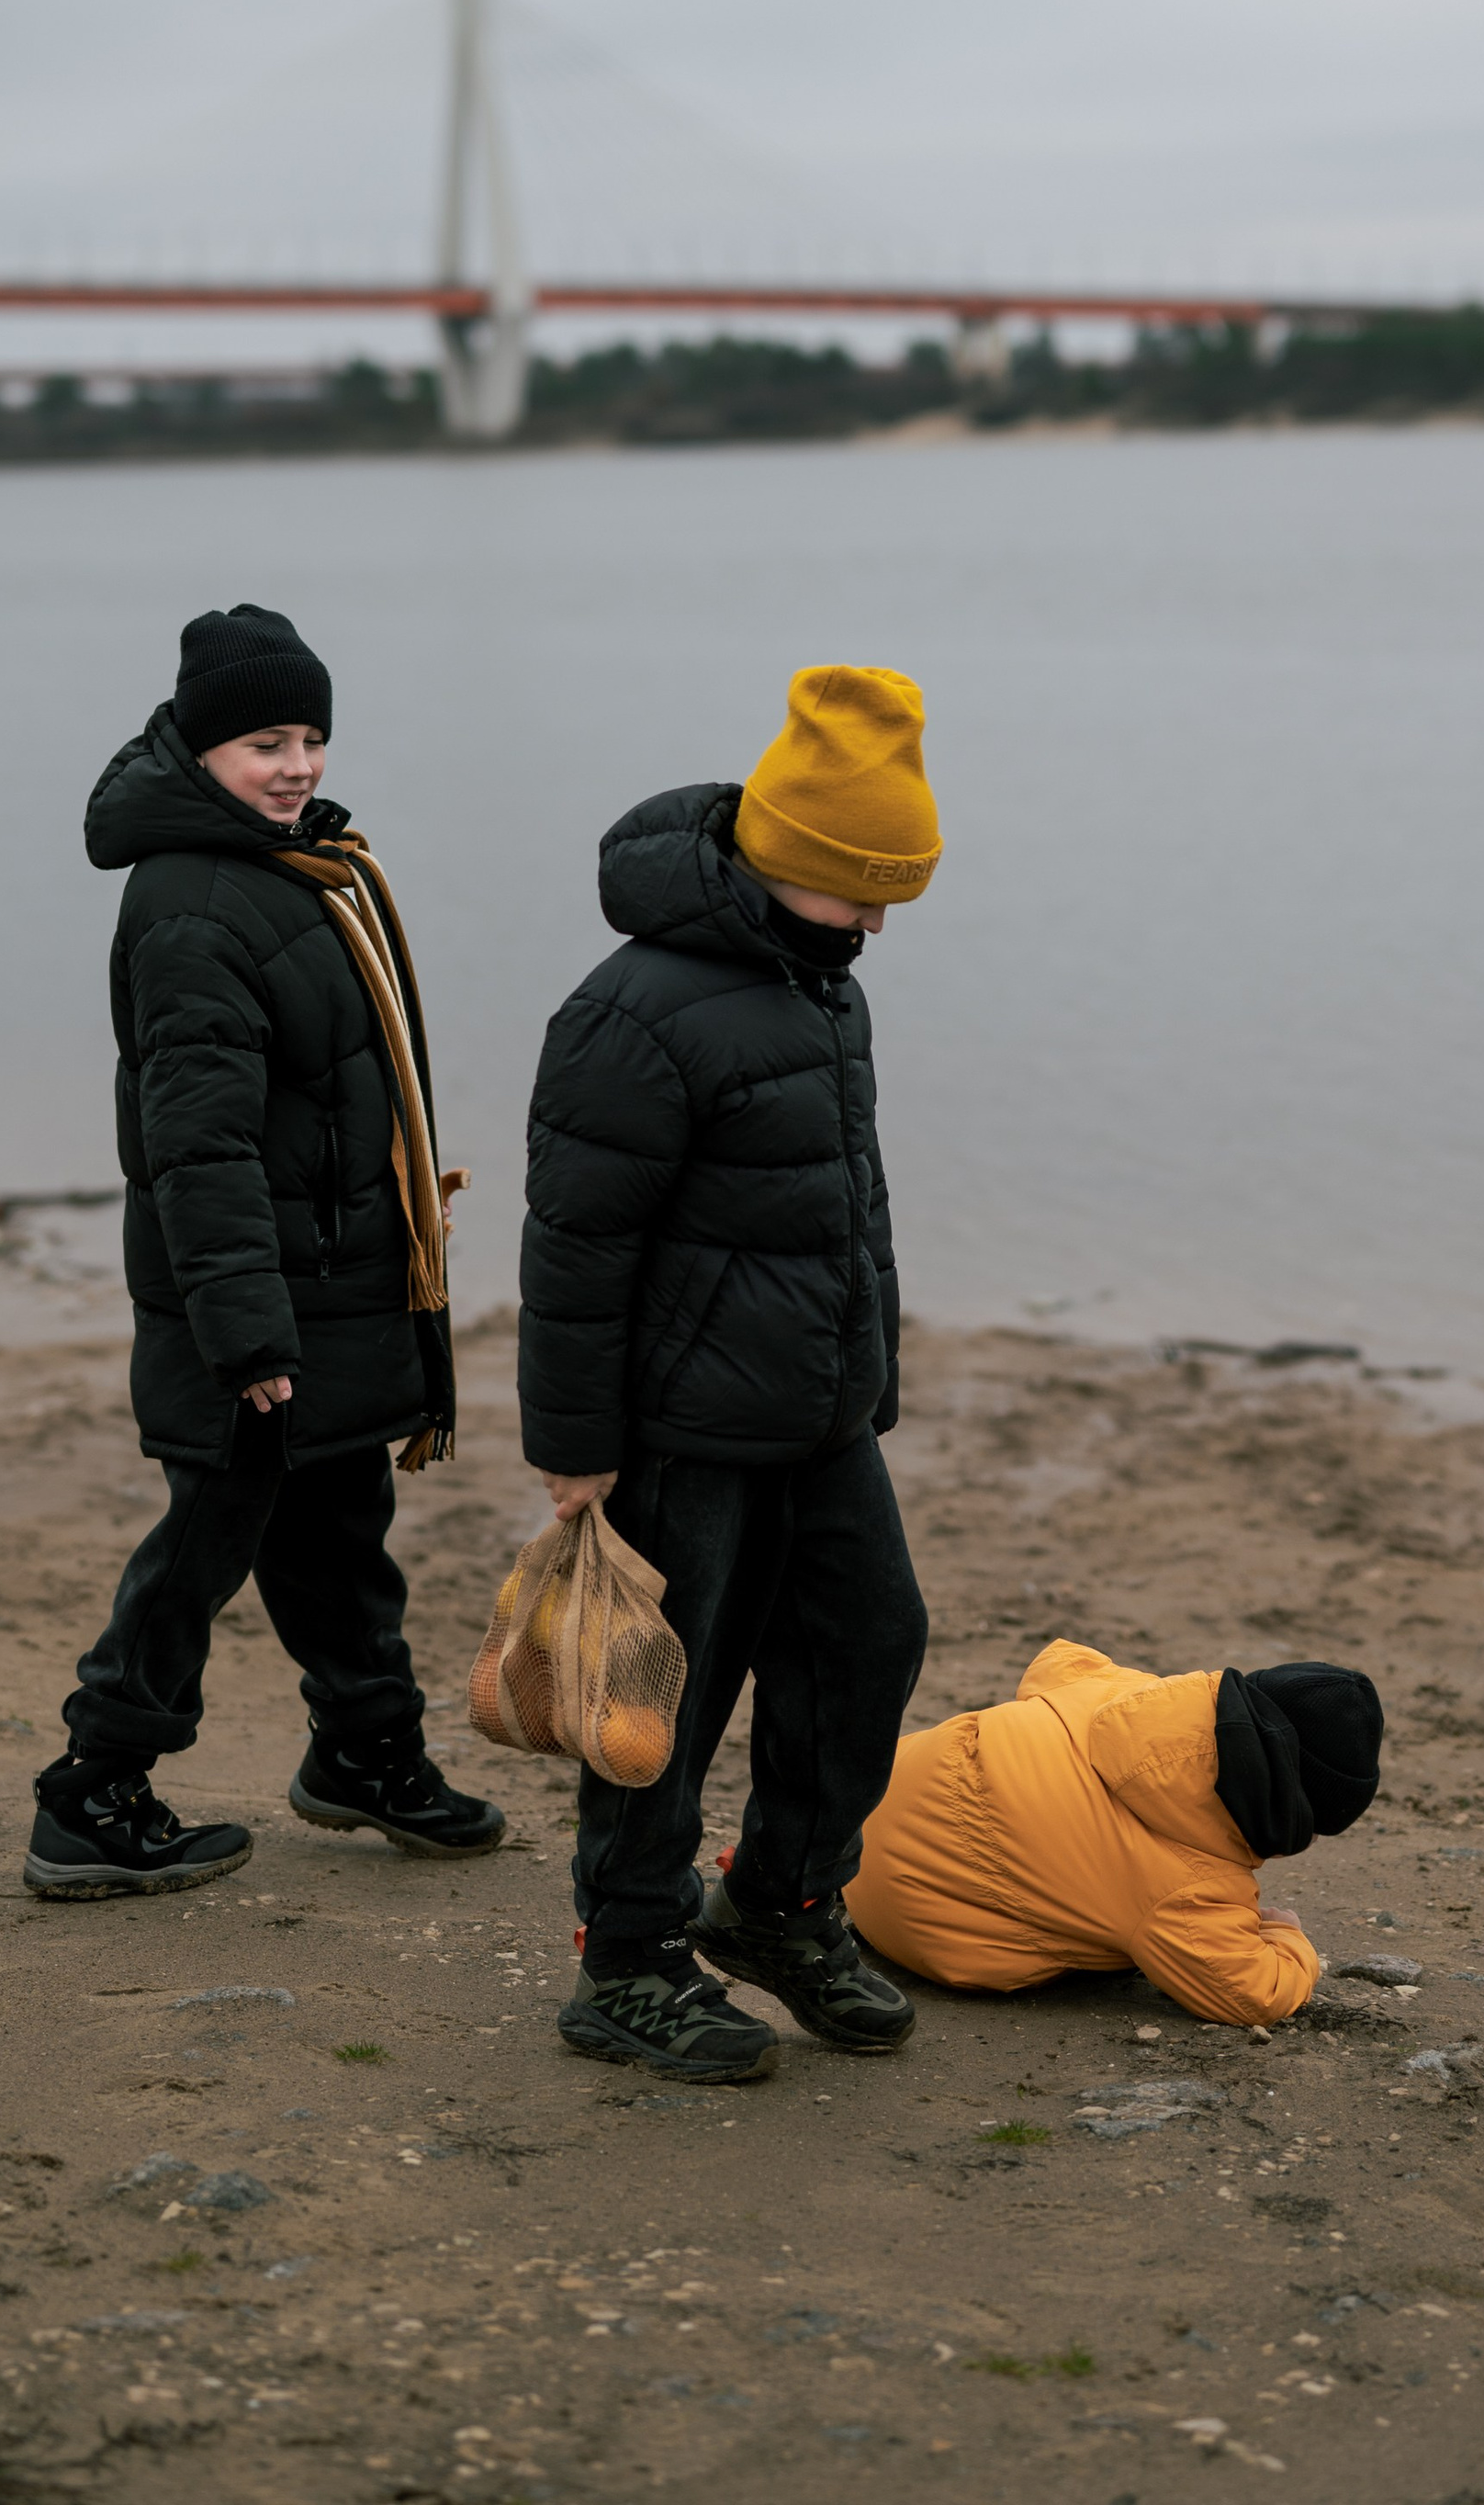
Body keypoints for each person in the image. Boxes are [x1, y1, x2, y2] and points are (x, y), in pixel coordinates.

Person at [24, 602, 503, 1900]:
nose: (295, 765)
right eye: (261, 744)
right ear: (199, 751)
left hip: (329, 1279)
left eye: (309, 737)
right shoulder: (192, 903)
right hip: (251, 1304)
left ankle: (366, 1755)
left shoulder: (300, 864)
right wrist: (244, 1336)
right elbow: (200, 1144)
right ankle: (92, 1792)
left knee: (342, 1526)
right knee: (207, 1542)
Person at [516, 664, 942, 2082]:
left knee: (867, 1643)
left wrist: (866, 1374)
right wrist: (575, 1447)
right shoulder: (629, 1012)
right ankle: (626, 1963)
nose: (879, 923)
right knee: (661, 1703)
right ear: (786, 857)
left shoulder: (823, 990)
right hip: (678, 1433)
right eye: (861, 889)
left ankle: (780, 1907)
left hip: (818, 1418)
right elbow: (577, 1246)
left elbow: (847, 1206)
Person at [847, 1641, 1382, 2028]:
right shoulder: (1187, 1888)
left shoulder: (1128, 1697)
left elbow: (1061, 1662)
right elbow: (1251, 1994)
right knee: (1106, 1951)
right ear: (1286, 1809)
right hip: (906, 1921)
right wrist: (1288, 1936)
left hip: (854, 1823)